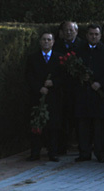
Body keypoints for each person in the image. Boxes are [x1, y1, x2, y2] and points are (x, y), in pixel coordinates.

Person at [74, 24, 104, 163]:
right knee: (83, 125)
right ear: (86, 35)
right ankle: (84, 152)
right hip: (83, 93)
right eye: (91, 34)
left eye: (96, 34)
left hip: (99, 94)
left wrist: (101, 83)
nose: (94, 36)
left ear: (100, 35)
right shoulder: (79, 50)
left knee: (100, 126)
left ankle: (100, 153)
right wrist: (81, 77)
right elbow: (73, 69)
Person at [25, 32, 64, 161]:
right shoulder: (32, 58)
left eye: (49, 39)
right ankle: (35, 152)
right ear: (40, 41)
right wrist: (39, 88)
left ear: (53, 42)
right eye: (44, 39)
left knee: (53, 126)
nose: (46, 42)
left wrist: (54, 83)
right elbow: (28, 76)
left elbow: (65, 77)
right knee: (36, 125)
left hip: (53, 97)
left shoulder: (59, 58)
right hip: (38, 96)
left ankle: (53, 152)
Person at [55, 21, 84, 154]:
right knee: (63, 119)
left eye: (71, 30)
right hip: (62, 88)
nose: (68, 32)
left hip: (78, 87)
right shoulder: (57, 45)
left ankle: (83, 147)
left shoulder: (82, 45)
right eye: (66, 30)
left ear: (76, 32)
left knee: (79, 119)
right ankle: (62, 147)